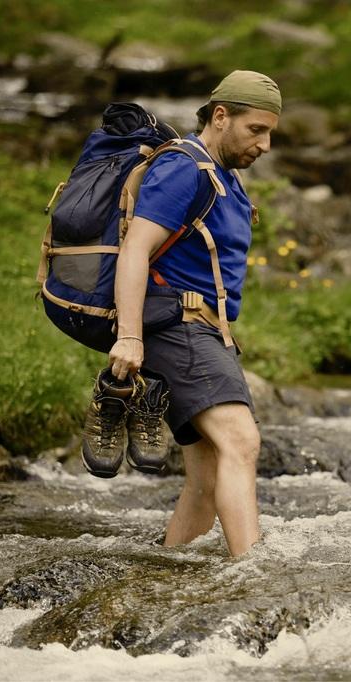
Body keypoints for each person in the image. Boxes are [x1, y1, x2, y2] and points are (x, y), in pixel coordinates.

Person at [107, 70, 281, 556]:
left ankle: (170, 568)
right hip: (179, 327)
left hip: (202, 330)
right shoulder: (185, 167)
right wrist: (130, 336)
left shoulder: (223, 175)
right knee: (241, 442)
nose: (265, 144)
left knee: (206, 476)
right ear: (221, 116)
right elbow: (135, 250)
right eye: (256, 130)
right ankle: (253, 574)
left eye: (270, 133)